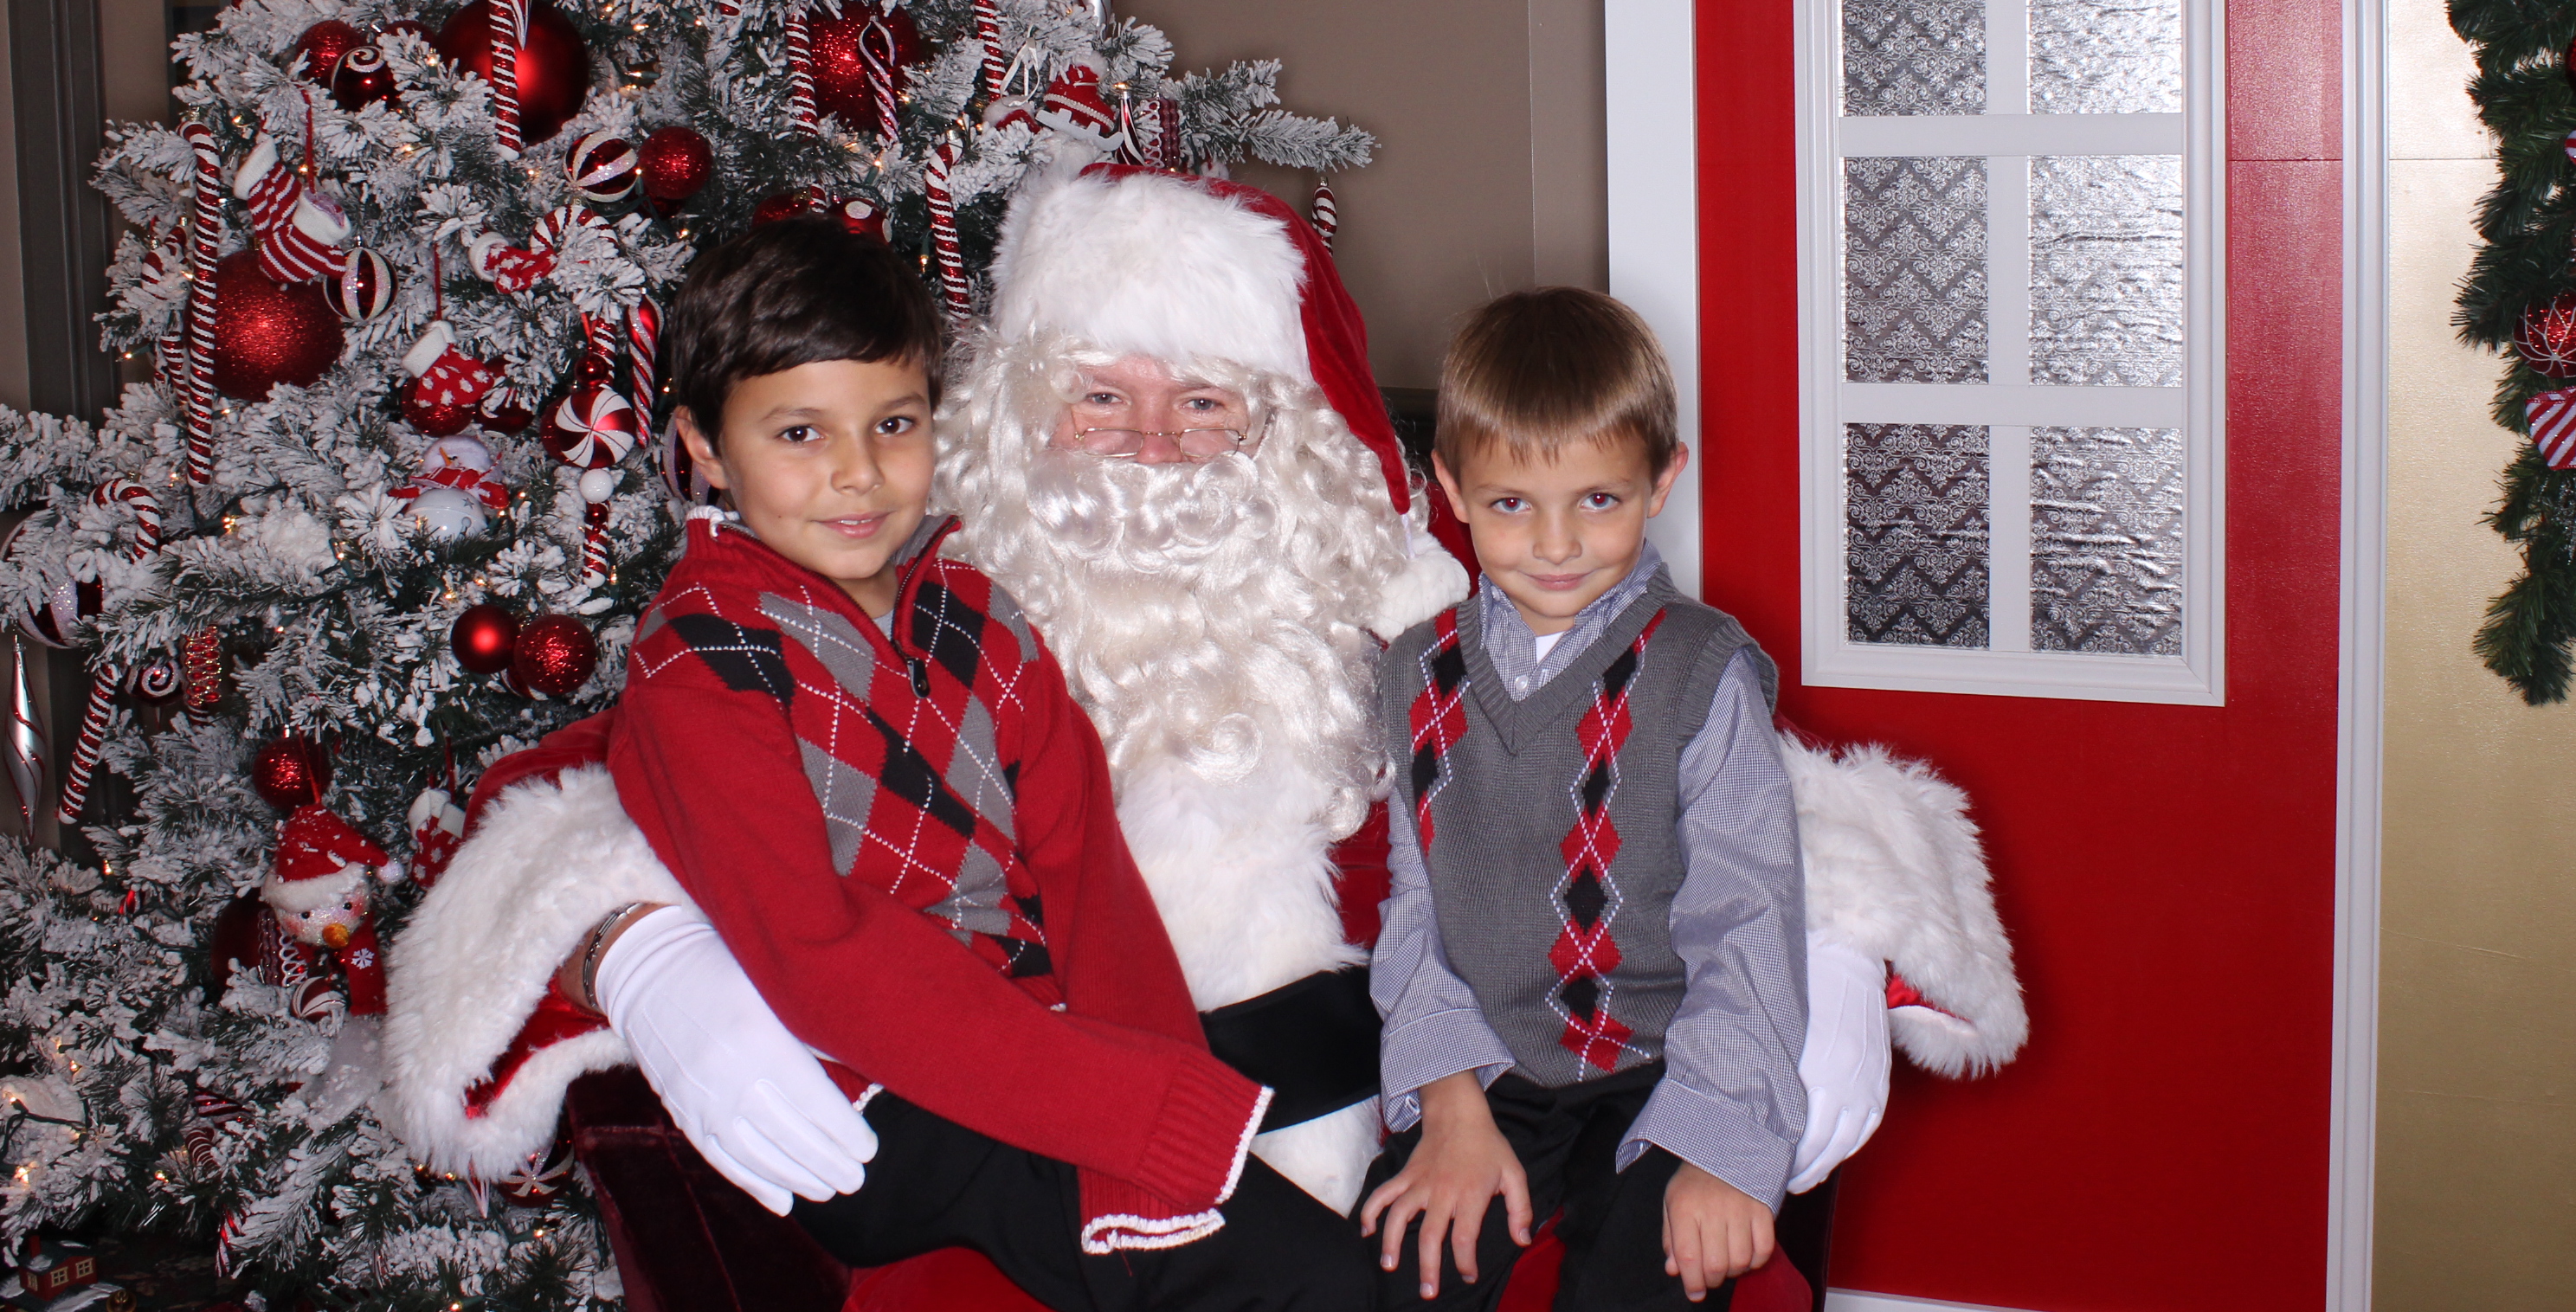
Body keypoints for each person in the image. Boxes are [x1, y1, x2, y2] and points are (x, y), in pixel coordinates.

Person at [383, 164, 2027, 1292]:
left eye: (1207, 402)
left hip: (1393, 1091)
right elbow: (590, 792)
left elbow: (1701, 756)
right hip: (1035, 1094)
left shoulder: (1401, 602)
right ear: (1019, 415)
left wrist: (1831, 952)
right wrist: (635, 951)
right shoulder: (926, 593)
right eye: (1102, 396)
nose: (1154, 447)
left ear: (1288, 431)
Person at [576, 215, 1361, 1307]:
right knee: (1311, 1280)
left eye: (893, 425)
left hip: (1037, 1046)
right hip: (873, 1105)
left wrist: (1156, 1079)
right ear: (704, 446)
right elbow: (823, 958)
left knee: (1334, 1064)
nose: (858, 475)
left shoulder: (979, 614)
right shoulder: (702, 666)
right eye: (799, 434)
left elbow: (1088, 876)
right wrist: (1131, 1113)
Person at [1359, 290, 1798, 1310]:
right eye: (1512, 504)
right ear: (1452, 488)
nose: (1556, 544)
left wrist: (1722, 1146)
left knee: (1645, 1280)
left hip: (1661, 1063)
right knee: (1400, 1269)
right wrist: (1450, 1100)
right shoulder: (1416, 673)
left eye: (1598, 500)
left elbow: (1748, 920)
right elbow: (1414, 908)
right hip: (1491, 1068)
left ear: (1662, 480)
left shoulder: (1700, 672)